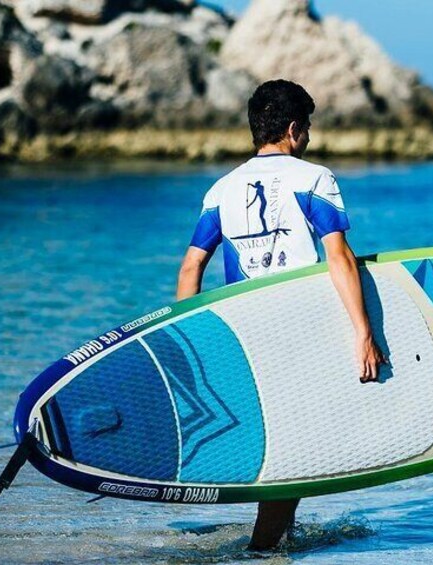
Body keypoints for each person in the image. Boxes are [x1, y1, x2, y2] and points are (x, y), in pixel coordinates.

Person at [175, 79, 386, 551]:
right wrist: (363, 333)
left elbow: (192, 267)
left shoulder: (221, 190)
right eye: (306, 127)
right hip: (299, 329)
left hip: (246, 335)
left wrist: (196, 340)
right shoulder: (315, 179)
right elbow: (339, 257)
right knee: (297, 444)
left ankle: (275, 544)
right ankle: (263, 548)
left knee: (288, 437)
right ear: (293, 129)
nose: (308, 136)